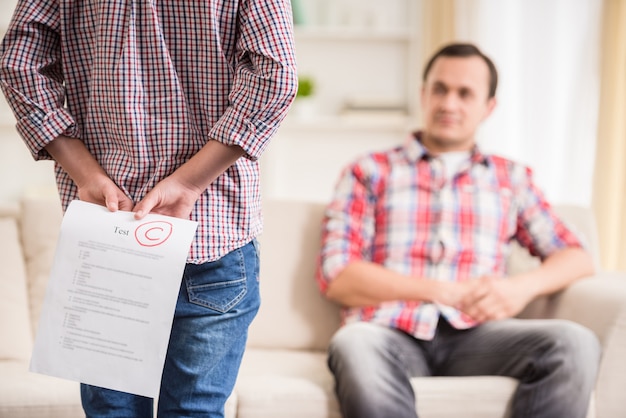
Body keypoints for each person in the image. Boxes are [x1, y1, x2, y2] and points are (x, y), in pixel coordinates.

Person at [0, 0, 297, 417]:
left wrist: (85, 174)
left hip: (109, 232)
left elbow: (19, 65)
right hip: (212, 231)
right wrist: (190, 181)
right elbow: (275, 76)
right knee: (194, 411)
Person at [316, 43, 600, 418]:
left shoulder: (510, 178)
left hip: (480, 337)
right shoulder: (369, 170)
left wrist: (519, 288)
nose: (449, 103)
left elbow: (577, 256)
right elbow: (338, 275)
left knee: (575, 343)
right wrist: (442, 291)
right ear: (423, 94)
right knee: (353, 343)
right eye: (439, 89)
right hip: (389, 332)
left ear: (488, 107)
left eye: (465, 94)